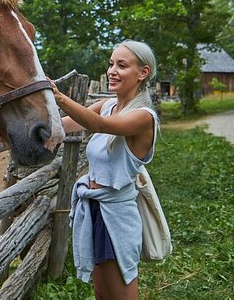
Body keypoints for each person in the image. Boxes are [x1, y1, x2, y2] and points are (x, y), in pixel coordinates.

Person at [51, 40, 158, 300]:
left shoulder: (144, 117)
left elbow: (98, 125)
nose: (112, 70)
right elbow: (65, 126)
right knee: (102, 295)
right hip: (96, 210)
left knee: (121, 294)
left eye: (122, 65)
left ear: (142, 73)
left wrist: (57, 95)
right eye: (111, 63)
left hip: (117, 216)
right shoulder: (108, 105)